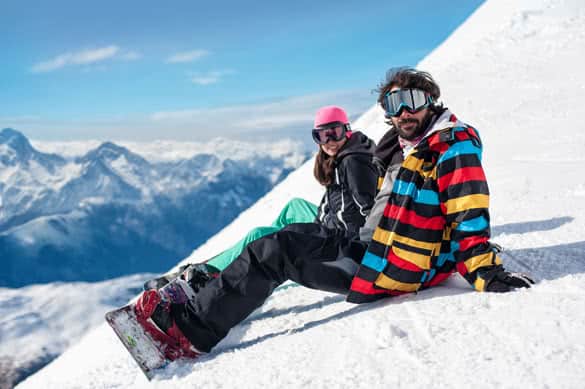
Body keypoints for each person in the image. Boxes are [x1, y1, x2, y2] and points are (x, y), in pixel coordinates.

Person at [134, 68, 533, 359]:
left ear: (431, 101)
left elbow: (469, 208)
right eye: (394, 105)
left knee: (275, 251)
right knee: (275, 242)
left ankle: (185, 331)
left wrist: (483, 269)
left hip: (387, 265)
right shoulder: (416, 145)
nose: (404, 112)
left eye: (412, 100)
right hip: (376, 249)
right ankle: (196, 310)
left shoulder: (451, 144)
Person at [144, 105, 379, 291]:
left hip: (339, 236)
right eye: (320, 135)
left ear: (346, 129)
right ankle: (227, 260)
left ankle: (208, 273)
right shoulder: (349, 150)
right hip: (329, 220)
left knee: (258, 235)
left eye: (334, 132)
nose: (328, 141)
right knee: (293, 206)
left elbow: (368, 209)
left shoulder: (352, 161)